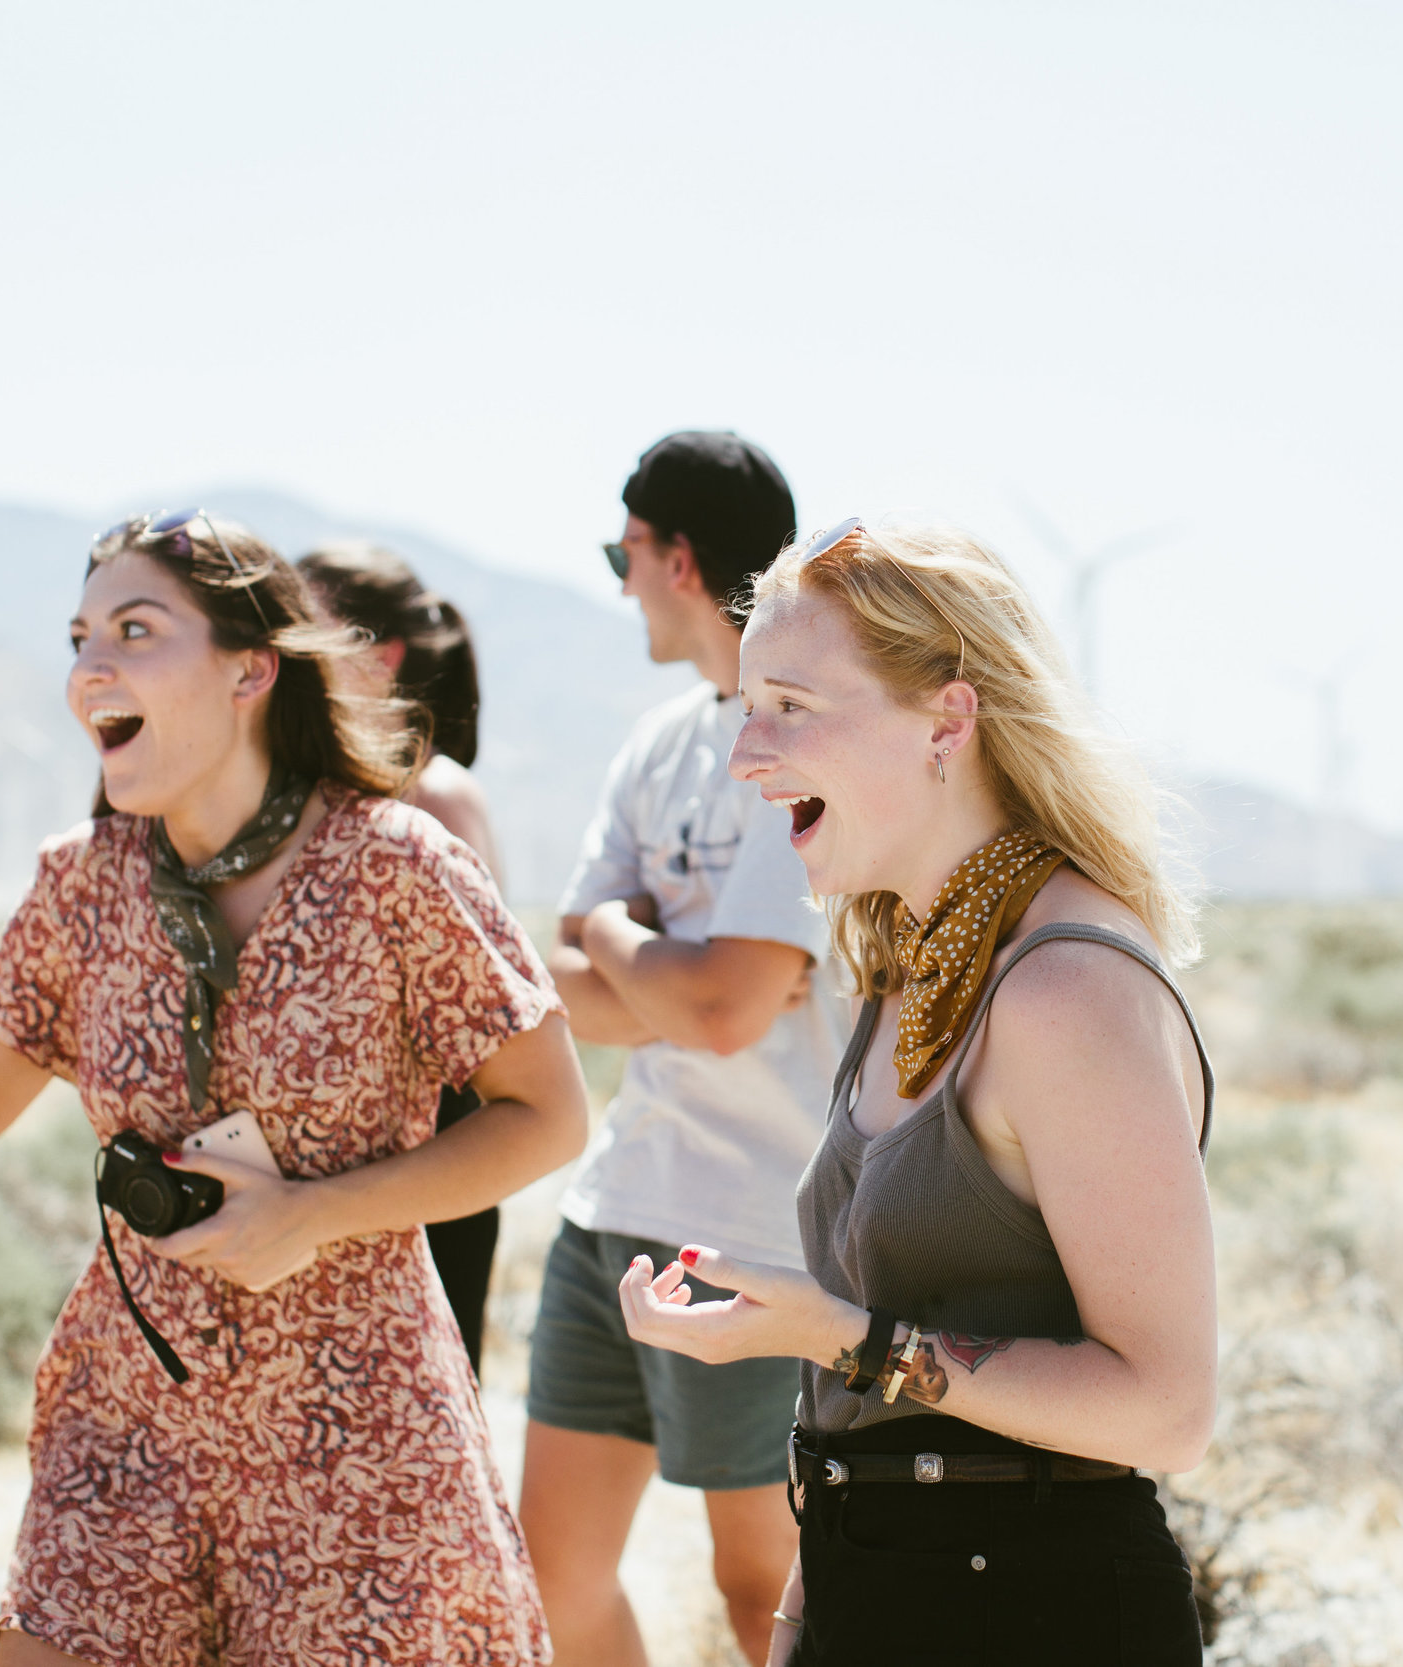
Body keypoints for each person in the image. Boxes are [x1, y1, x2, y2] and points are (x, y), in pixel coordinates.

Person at [0, 510, 588, 1666]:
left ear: (249, 669)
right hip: (132, 1402)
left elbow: (551, 1116)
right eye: (80, 637)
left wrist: (319, 1211)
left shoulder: (398, 865)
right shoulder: (81, 886)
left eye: (135, 629)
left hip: (355, 1423)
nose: (91, 667)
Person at [617, 518, 1218, 1666]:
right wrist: (802, 1619)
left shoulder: (1067, 988)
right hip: (880, 1591)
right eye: (747, 706)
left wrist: (841, 1334)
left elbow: (1165, 1408)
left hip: (1034, 1614)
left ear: (946, 718)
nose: (747, 753)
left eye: (790, 704)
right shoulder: (906, 953)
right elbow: (871, 1418)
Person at [528, 432, 840, 1666]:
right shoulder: (655, 746)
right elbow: (562, 988)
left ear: (678, 557)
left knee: (759, 1578)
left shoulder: (804, 742)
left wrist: (622, 937)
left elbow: (724, 1010)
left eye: (625, 553)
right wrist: (656, 963)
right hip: (610, 1212)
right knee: (548, 1569)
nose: (618, 583)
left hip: (754, 1228)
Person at [298, 540, 504, 1375]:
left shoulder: (439, 795)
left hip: (436, 1157)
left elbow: (487, 1009)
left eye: (302, 629)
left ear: (381, 657)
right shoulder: (298, 794)